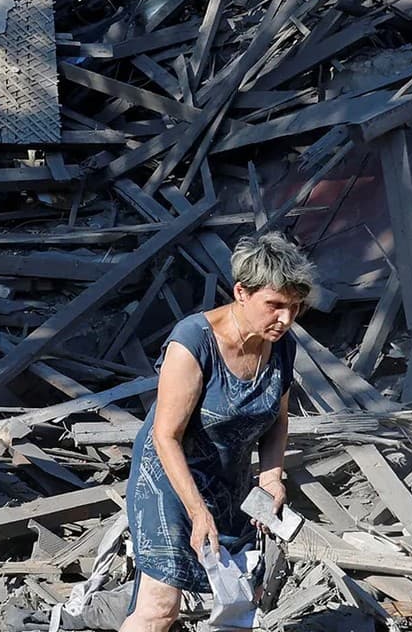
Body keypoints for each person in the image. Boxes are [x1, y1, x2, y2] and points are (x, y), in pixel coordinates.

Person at [119, 232, 319, 632]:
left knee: (240, 595)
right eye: (275, 306)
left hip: (228, 480)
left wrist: (272, 477)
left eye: (295, 308)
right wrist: (197, 512)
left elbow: (277, 421)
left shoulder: (279, 344)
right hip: (169, 481)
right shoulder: (193, 342)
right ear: (241, 292)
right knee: (160, 607)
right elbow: (165, 437)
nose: (286, 319)